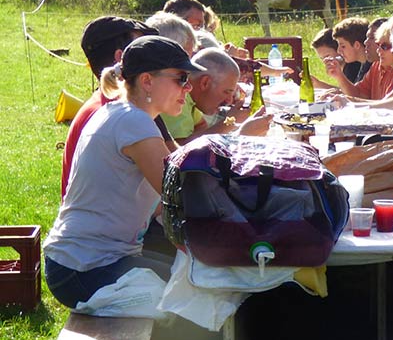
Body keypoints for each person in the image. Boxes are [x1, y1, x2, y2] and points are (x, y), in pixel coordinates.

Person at [45, 36, 206, 309]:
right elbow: (182, 196)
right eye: (180, 78)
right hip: (83, 269)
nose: (188, 87)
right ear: (147, 81)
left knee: (193, 280)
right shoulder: (134, 122)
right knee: (196, 296)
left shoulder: (122, 113)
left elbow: (161, 206)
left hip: (81, 263)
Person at [60, 16, 162, 200]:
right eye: (144, 48)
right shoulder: (125, 113)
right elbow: (170, 188)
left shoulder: (108, 103)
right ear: (122, 58)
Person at [160, 47, 272, 144]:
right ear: (205, 83)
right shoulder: (178, 99)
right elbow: (181, 153)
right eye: (226, 92)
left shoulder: (194, 99)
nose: (229, 101)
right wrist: (229, 123)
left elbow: (202, 129)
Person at [322, 17, 393, 99]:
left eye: (372, 38)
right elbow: (358, 94)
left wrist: (344, 99)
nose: (365, 42)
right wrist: (338, 75)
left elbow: (388, 106)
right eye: (366, 37)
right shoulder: (376, 65)